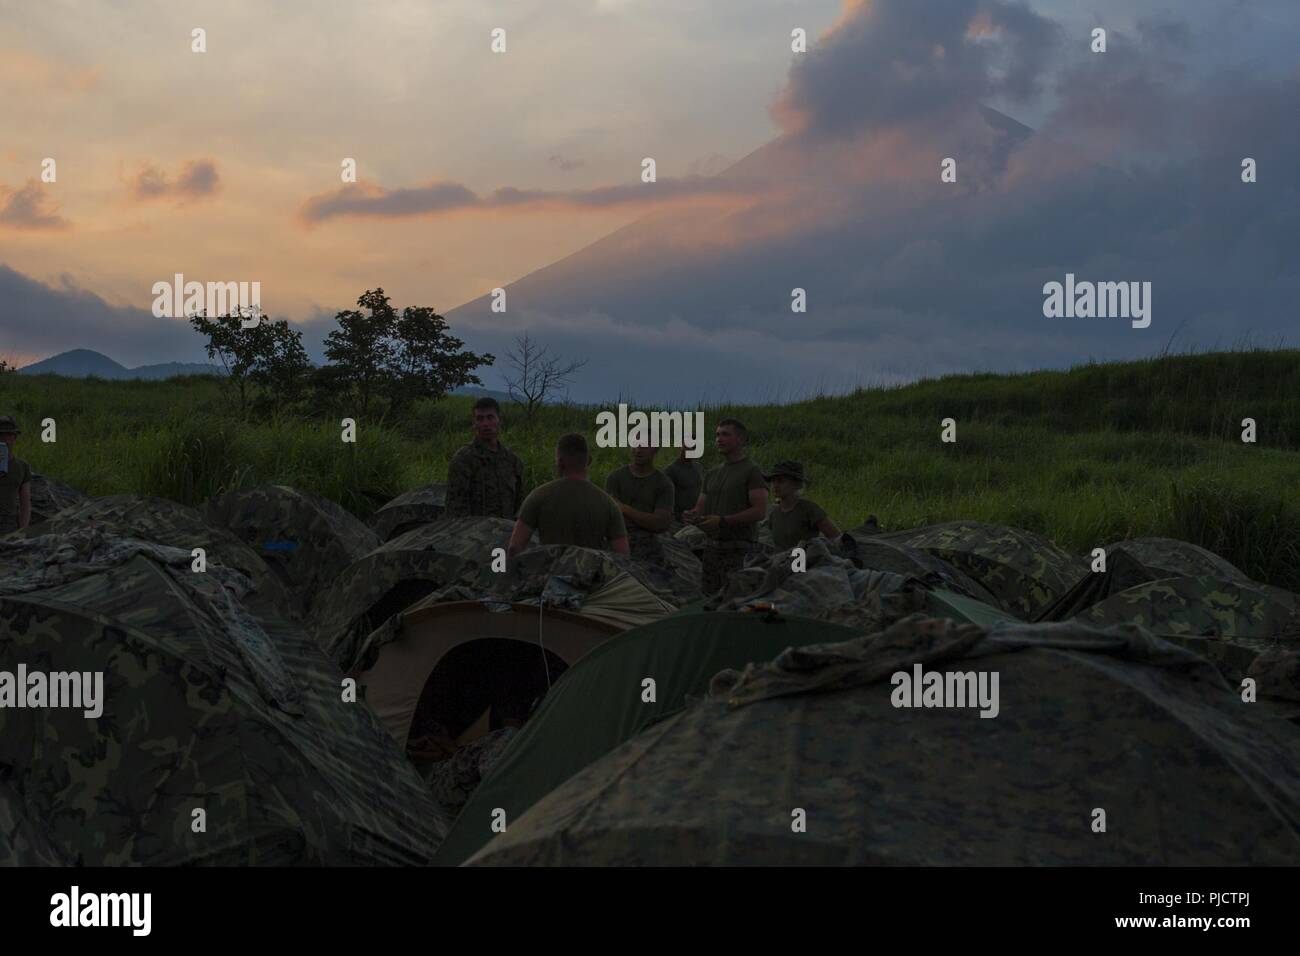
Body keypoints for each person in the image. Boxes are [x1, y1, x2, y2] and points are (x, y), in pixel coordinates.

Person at [508, 434, 628, 557]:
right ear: (589, 461)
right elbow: (622, 555)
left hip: (548, 574)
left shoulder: (538, 496)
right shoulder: (607, 503)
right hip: (589, 575)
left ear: (560, 462)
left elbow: (515, 547)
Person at [684, 418, 767, 594]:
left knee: (736, 600)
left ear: (741, 440)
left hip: (739, 550)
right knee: (709, 599)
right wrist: (692, 516)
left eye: (725, 434)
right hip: (711, 549)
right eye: (717, 435)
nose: (719, 439)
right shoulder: (712, 474)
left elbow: (759, 511)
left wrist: (723, 521)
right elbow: (700, 508)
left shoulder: (751, 470)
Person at [445, 397, 526, 519]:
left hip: (506, 532)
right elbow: (455, 510)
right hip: (473, 534)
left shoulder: (512, 461)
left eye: (490, 417)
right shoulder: (463, 460)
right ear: (474, 423)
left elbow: (520, 506)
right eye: (480, 419)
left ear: (500, 420)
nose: (485, 424)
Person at [605, 441, 674, 563]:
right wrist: (645, 520)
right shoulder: (615, 478)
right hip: (618, 542)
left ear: (655, 449)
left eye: (644, 446)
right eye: (635, 445)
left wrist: (624, 508)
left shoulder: (663, 483)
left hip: (648, 546)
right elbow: (609, 518)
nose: (638, 450)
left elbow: (660, 523)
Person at [764, 460, 840, 549]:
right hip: (781, 560)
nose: (775, 485)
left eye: (781, 481)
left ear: (796, 484)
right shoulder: (774, 513)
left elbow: (836, 537)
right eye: (773, 481)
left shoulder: (808, 509)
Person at [0, 415, 32, 535]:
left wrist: (23, 531)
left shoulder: (22, 466)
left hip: (9, 526)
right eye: (1, 435)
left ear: (14, 438)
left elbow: (25, 503)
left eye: (9, 435)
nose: (5, 440)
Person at [662, 445, 704, 521]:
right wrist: (679, 516)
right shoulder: (670, 470)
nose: (690, 449)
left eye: (694, 447)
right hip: (679, 520)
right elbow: (664, 501)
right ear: (680, 447)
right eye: (687, 446)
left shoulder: (698, 467)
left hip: (697, 517)